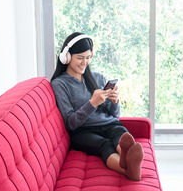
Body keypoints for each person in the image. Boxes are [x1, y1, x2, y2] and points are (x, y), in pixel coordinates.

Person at [50, 32, 143, 181]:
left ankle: (128, 156)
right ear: (66, 57)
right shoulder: (60, 84)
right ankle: (127, 170)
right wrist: (92, 103)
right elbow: (70, 123)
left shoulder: (98, 78)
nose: (84, 62)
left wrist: (114, 102)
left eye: (88, 57)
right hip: (82, 131)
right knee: (104, 144)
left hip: (109, 124)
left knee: (120, 132)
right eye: (79, 58)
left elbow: (114, 116)